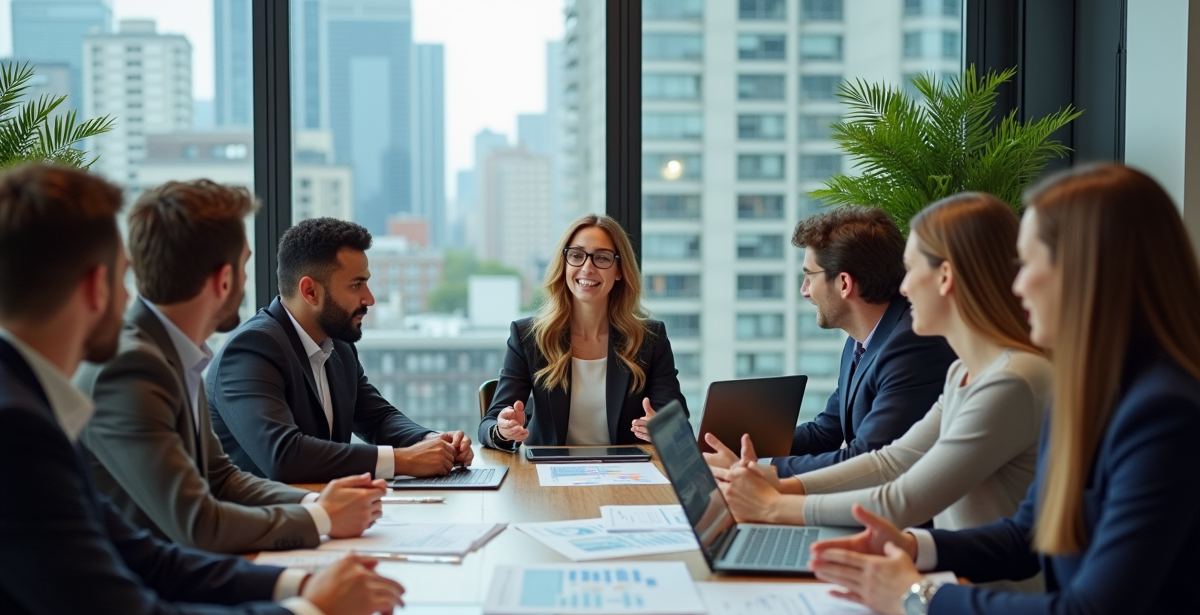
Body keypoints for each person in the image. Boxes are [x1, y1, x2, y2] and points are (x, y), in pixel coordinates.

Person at [0, 164, 404, 615]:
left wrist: (296, 584)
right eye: (123, 273)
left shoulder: (30, 403)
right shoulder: (20, 429)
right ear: (95, 288)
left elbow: (142, 553)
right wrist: (314, 614)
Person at [809, 164, 1200, 615]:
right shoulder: (1088, 387)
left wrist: (917, 597)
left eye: (1029, 264)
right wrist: (910, 546)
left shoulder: (1165, 413)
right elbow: (1024, 537)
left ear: (1087, 270)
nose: (1016, 286)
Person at [718, 194, 1052, 552]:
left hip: (984, 589)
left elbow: (902, 495)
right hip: (950, 570)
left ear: (944, 277)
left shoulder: (1010, 380)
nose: (903, 288)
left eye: (912, 270)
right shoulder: (963, 372)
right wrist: (776, 484)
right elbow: (890, 462)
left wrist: (774, 505)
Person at [75, 182, 388, 554]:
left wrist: (316, 505)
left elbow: (221, 479)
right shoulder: (131, 367)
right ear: (224, 280)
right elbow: (198, 524)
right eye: (244, 266)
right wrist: (322, 519)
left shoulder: (170, 353)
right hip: (150, 590)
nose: (245, 282)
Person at [207, 218, 471, 484]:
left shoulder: (338, 347)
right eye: (356, 285)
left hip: (329, 513)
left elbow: (378, 419)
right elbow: (283, 456)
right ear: (310, 291)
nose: (369, 299)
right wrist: (402, 460)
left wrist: (432, 442)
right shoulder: (250, 350)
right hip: (264, 521)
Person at [704, 207, 956, 478]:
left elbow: (865, 461)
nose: (804, 291)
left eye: (809, 276)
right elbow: (825, 433)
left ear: (844, 283)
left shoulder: (912, 348)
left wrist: (754, 468)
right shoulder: (861, 340)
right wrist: (731, 448)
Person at [479, 213, 688, 449]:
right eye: (577, 256)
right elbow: (488, 424)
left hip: (628, 476)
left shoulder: (649, 339)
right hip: (548, 476)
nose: (587, 267)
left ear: (619, 270)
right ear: (564, 263)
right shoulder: (528, 336)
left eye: (602, 258)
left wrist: (663, 429)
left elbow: (678, 424)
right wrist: (503, 430)